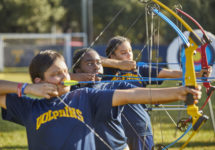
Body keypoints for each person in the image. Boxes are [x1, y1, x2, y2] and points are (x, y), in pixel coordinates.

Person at [0, 50, 201, 150]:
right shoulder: (27, 106)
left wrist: (179, 92)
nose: (64, 78)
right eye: (55, 74)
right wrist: (25, 88)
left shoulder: (85, 97)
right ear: (39, 80)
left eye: (65, 72)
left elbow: (131, 95)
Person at [103, 36, 211, 150]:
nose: (129, 55)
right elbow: (88, 57)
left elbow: (170, 73)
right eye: (123, 52)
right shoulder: (101, 70)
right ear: (112, 56)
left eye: (130, 51)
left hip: (140, 126)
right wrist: (117, 64)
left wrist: (198, 74)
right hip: (112, 128)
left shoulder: (139, 69)